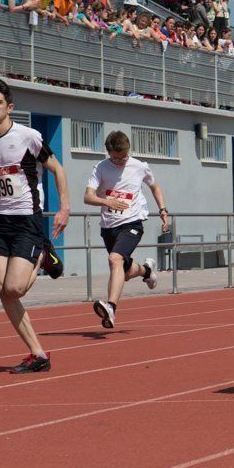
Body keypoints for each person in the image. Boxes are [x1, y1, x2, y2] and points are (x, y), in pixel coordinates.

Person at [0, 79, 68, 374]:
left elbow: (57, 169)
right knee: (2, 291)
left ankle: (42, 254)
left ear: (9, 107)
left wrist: (64, 208)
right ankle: (38, 353)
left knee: (14, 288)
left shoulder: (28, 137)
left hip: (27, 218)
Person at [84, 131, 168, 328]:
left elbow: (155, 187)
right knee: (125, 270)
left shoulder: (139, 166)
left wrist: (163, 209)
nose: (120, 161)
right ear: (108, 153)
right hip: (109, 226)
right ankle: (146, 270)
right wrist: (107, 201)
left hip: (132, 223)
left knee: (114, 259)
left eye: (123, 157)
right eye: (115, 158)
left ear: (128, 150)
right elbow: (87, 197)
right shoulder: (101, 168)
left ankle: (111, 308)